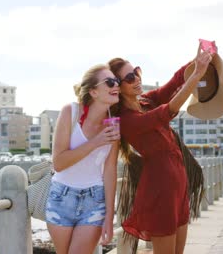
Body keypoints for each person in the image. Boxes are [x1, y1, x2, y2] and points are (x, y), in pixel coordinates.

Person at [108, 43, 213, 254]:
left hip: (178, 184)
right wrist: (197, 76)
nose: (137, 79)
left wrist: (198, 60)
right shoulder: (126, 120)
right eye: (129, 78)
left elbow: (173, 83)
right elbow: (168, 111)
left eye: (136, 72)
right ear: (117, 86)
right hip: (160, 190)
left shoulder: (146, 101)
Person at [47, 64, 121, 254]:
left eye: (117, 81)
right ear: (94, 92)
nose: (117, 86)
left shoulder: (114, 122)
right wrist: (96, 142)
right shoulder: (69, 113)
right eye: (110, 82)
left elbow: (110, 171)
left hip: (94, 200)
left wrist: (109, 217)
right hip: (61, 197)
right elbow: (59, 163)